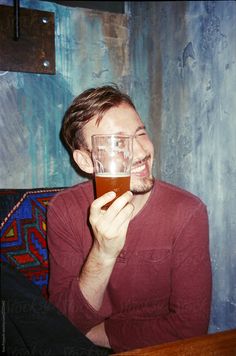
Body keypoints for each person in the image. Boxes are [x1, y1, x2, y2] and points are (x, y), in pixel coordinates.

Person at [47, 84, 212, 353]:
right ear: (85, 162)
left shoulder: (188, 212)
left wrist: (102, 334)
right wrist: (103, 253)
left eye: (140, 133)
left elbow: (190, 329)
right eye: (116, 143)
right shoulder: (63, 210)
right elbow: (65, 323)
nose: (139, 152)